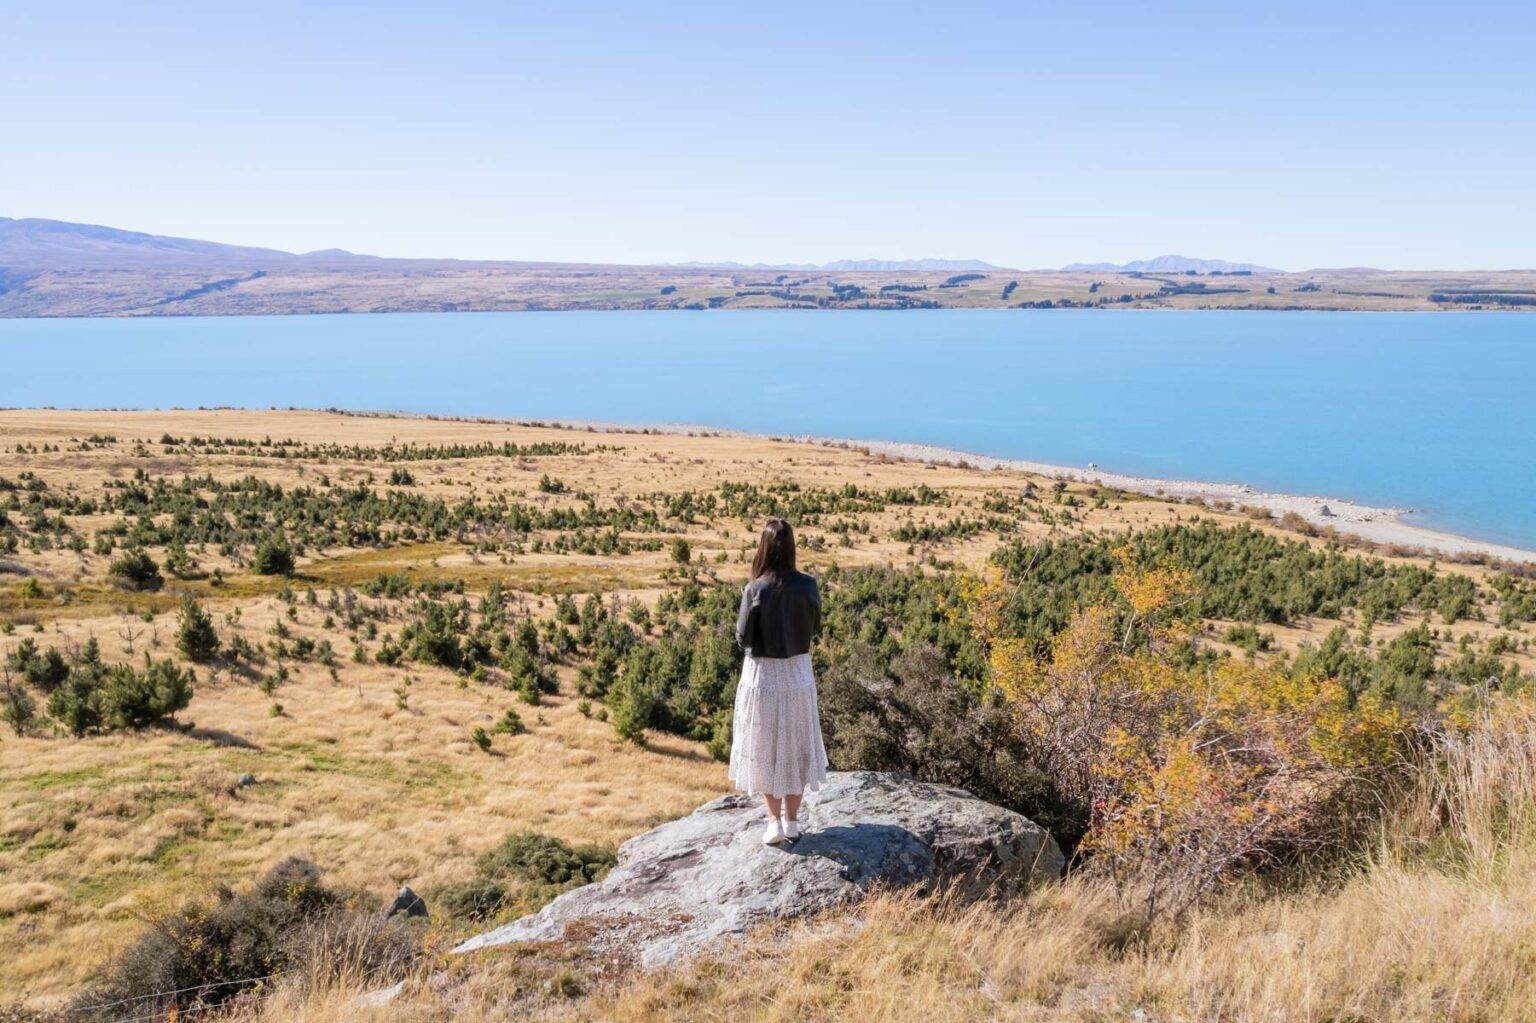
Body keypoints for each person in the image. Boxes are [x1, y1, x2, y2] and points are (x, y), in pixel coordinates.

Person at [730, 517, 828, 846]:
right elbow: (814, 628)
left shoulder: (755, 588)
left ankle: (773, 822)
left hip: (762, 673)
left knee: (764, 748)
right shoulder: (809, 585)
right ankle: (794, 821)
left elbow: (743, 637)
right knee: (797, 746)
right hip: (798, 671)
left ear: (764, 547)